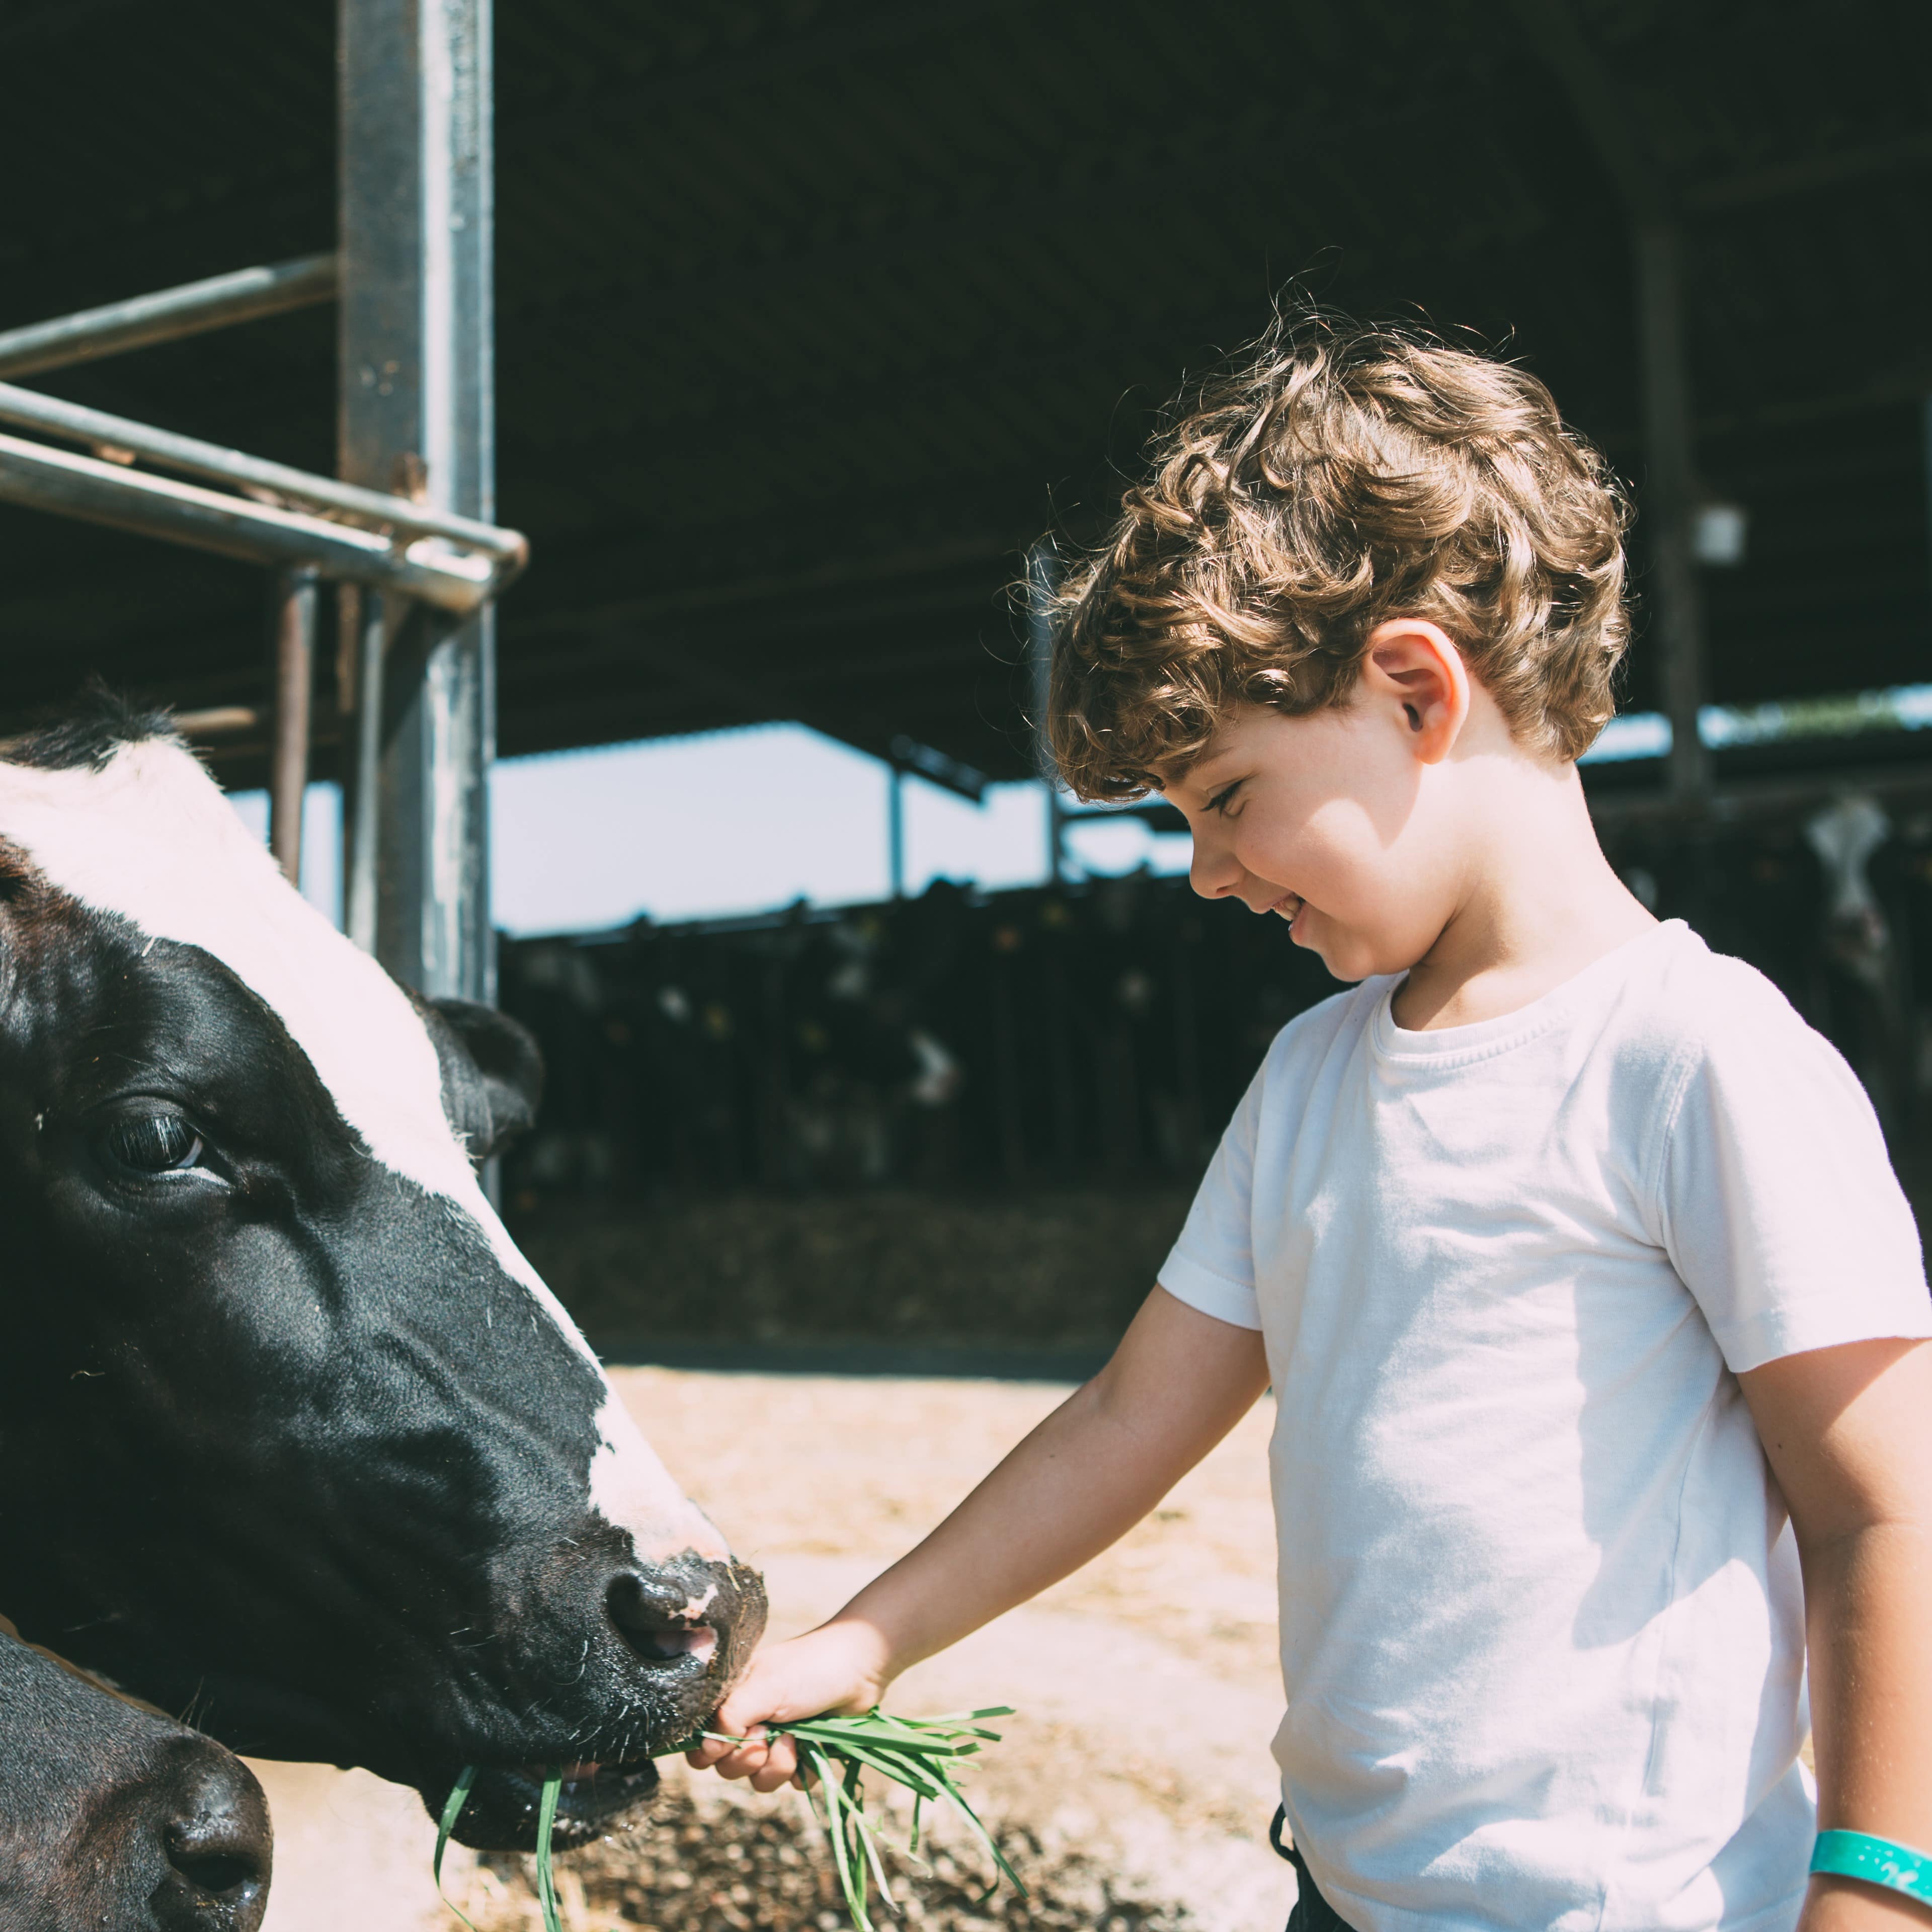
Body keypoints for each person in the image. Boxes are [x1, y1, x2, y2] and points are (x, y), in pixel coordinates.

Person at [687, 312, 1932, 1931]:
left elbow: (1885, 1507)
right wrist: (866, 1639)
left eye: (1227, 800)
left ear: (1417, 687)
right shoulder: (1312, 1081)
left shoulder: (1695, 1061)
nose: (1209, 872)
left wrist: (1880, 1892)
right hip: (1340, 1899)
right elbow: (1132, 1419)